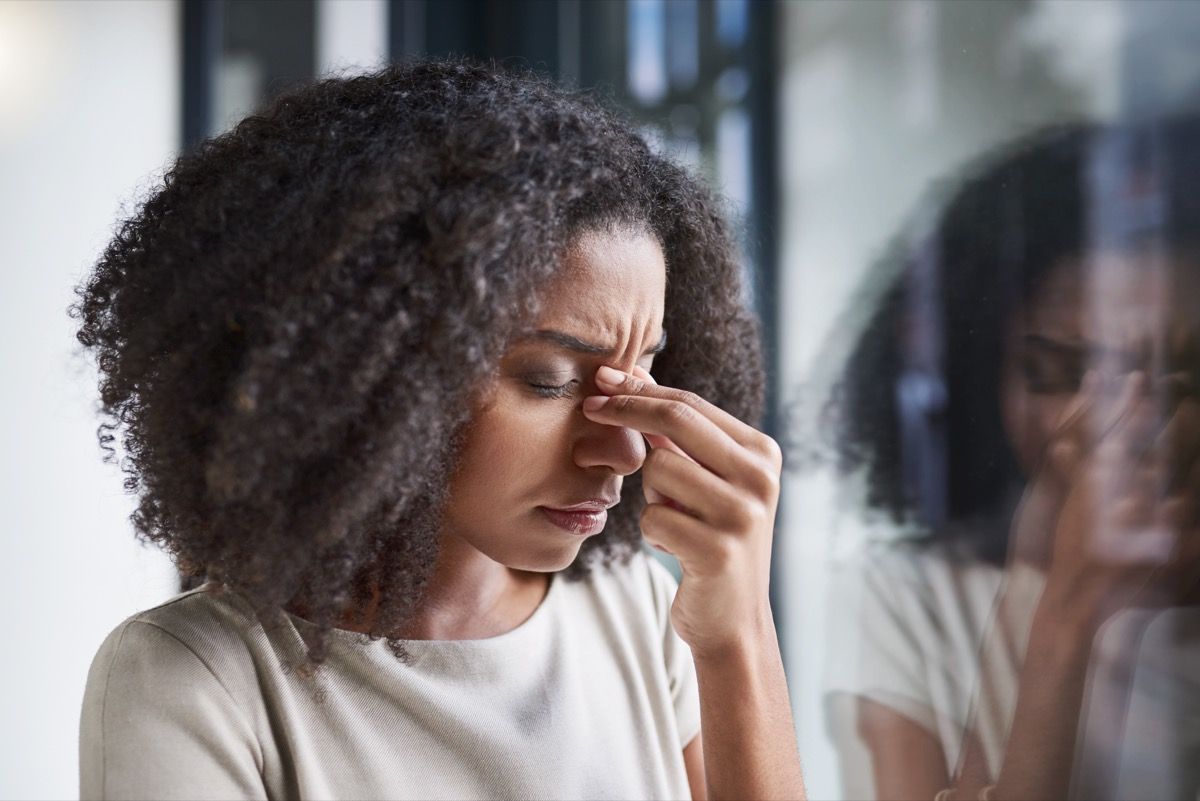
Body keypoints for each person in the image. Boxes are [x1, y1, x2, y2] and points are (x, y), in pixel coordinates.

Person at [71, 61, 805, 801]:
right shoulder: (195, 680)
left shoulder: (639, 609)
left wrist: (738, 633)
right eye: (549, 379)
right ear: (369, 371)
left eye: (644, 371)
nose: (625, 448)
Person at [823, 118, 1200, 800]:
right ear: (980, 374)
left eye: (1181, 373)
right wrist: (1064, 607)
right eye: (1056, 370)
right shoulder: (917, 596)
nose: (1118, 417)